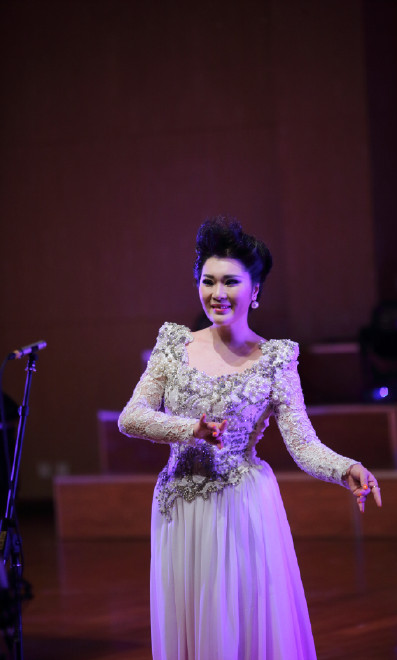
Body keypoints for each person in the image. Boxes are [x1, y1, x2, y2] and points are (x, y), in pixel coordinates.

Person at [118, 216, 382, 660]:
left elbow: (303, 444)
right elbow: (131, 417)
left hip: (239, 508)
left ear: (255, 290)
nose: (217, 293)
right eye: (208, 281)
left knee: (236, 627)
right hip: (178, 507)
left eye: (231, 282)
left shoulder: (276, 360)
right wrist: (190, 430)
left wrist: (345, 469)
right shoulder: (173, 346)